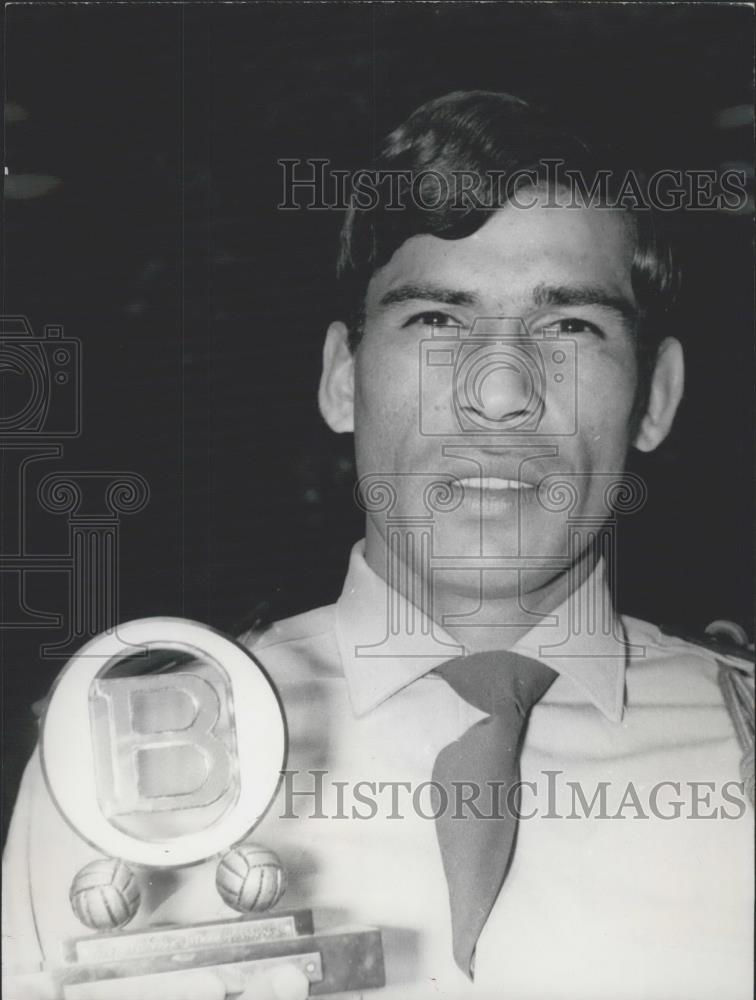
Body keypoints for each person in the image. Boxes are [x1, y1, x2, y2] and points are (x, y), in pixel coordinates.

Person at [3, 91, 753, 1000]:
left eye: (571, 326)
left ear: (657, 399)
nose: (501, 391)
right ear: (341, 382)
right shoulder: (122, 765)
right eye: (437, 320)